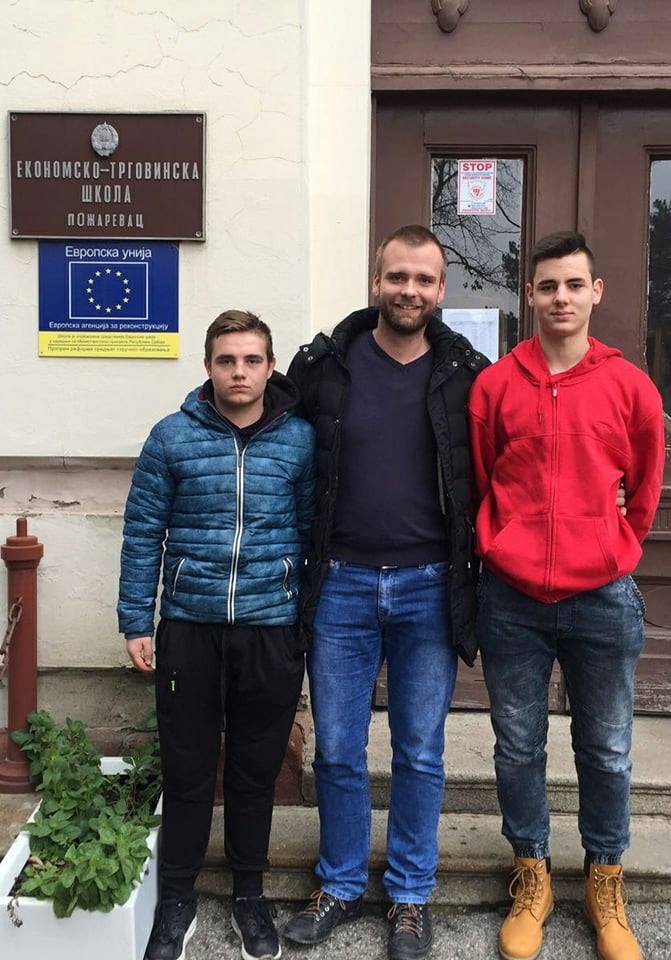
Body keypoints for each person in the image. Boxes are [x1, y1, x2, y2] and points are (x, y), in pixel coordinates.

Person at [283, 225, 488, 960]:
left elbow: (508, 463)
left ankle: (408, 895)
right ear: (376, 282)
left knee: (420, 751)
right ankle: (339, 884)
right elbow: (263, 432)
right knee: (338, 749)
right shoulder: (323, 366)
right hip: (339, 583)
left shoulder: (467, 373)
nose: (409, 290)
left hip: (430, 587)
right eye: (397, 276)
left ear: (441, 290)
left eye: (423, 279)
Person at [468, 231, 664, 960]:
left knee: (606, 749)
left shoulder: (629, 386)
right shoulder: (495, 386)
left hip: (602, 597)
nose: (561, 298)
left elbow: (645, 484)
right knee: (517, 745)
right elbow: (483, 478)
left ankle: (604, 881)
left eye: (574, 285)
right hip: (511, 599)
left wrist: (614, 546)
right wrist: (503, 542)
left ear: (595, 293)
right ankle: (533, 873)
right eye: (547, 285)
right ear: (529, 295)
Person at [117, 311, 315, 960]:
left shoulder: (299, 441)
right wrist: (135, 620)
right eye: (226, 360)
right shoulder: (171, 437)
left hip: (270, 631)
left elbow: (312, 536)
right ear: (207, 366)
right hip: (189, 629)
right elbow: (143, 532)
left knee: (256, 773)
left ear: (270, 367)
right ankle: (176, 899)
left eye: (252, 360)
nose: (239, 372)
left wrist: (305, 624)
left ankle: (249, 895)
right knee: (188, 770)